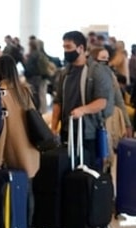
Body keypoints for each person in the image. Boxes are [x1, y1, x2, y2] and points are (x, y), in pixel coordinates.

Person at [0, 54, 40, 228]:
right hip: (30, 151)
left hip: (13, 152)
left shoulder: (1, 94)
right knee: (28, 191)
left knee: (16, 192)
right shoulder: (24, 91)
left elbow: (1, 131)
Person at [51, 31, 114, 170]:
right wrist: (54, 127)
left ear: (80, 48)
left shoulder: (96, 71)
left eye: (68, 47)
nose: (65, 51)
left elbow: (102, 102)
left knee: (88, 170)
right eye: (64, 47)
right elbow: (58, 101)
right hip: (68, 131)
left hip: (89, 132)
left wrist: (83, 110)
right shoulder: (64, 73)